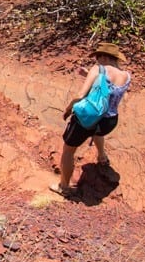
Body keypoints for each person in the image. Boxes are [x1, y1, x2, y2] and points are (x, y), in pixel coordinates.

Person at [51, 42, 131, 197]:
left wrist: (68, 110)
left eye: (97, 57)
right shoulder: (126, 76)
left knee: (68, 150)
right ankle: (102, 157)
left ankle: (64, 187)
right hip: (110, 120)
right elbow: (111, 88)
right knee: (98, 132)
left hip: (88, 118)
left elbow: (80, 96)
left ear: (103, 56)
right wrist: (88, 74)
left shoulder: (97, 69)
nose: (96, 61)